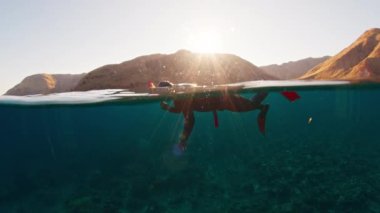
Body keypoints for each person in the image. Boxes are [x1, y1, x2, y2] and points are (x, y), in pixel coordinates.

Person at [160, 92, 269, 155]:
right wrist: (168, 108)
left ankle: (264, 96)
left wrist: (182, 141)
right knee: (249, 105)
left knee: (249, 105)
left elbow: (190, 119)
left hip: (225, 100)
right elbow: (181, 110)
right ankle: (262, 106)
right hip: (224, 101)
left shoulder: (181, 98)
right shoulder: (180, 99)